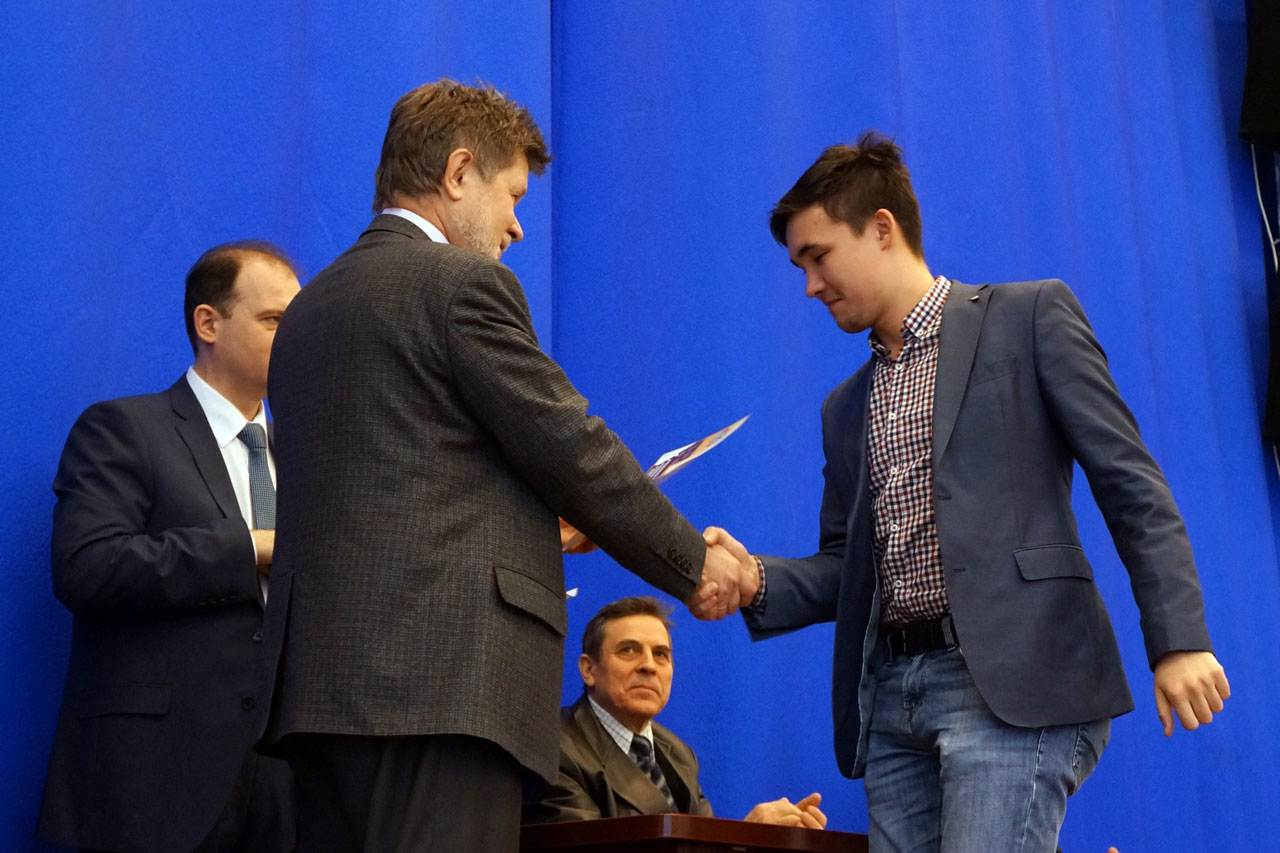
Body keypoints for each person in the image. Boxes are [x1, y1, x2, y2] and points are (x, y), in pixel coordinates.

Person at [697, 132, 1231, 852]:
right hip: (892, 701)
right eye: (800, 267)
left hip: (1018, 683)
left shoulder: (1029, 316)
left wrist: (1179, 641)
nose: (810, 286)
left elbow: (1130, 483)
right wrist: (755, 579)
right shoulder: (843, 407)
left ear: (881, 228)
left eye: (818, 256)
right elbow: (846, 567)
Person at [258, 79, 746, 853]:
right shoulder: (462, 283)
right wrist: (693, 562)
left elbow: (398, 488)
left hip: (319, 696)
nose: (517, 225)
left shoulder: (307, 311)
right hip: (440, 690)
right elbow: (574, 447)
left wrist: (534, 529)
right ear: (458, 173)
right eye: (512, 195)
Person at [37, 242, 301, 852]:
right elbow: (86, 568)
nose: (294, 339)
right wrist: (248, 548)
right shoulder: (125, 430)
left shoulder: (310, 452)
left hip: (286, 786)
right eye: (273, 321)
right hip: (155, 780)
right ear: (208, 323)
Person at [527, 596, 827, 828]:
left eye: (661, 654)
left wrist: (764, 839)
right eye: (628, 650)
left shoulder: (678, 753)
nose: (648, 665)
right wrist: (748, 833)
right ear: (588, 670)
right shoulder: (553, 750)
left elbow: (705, 844)